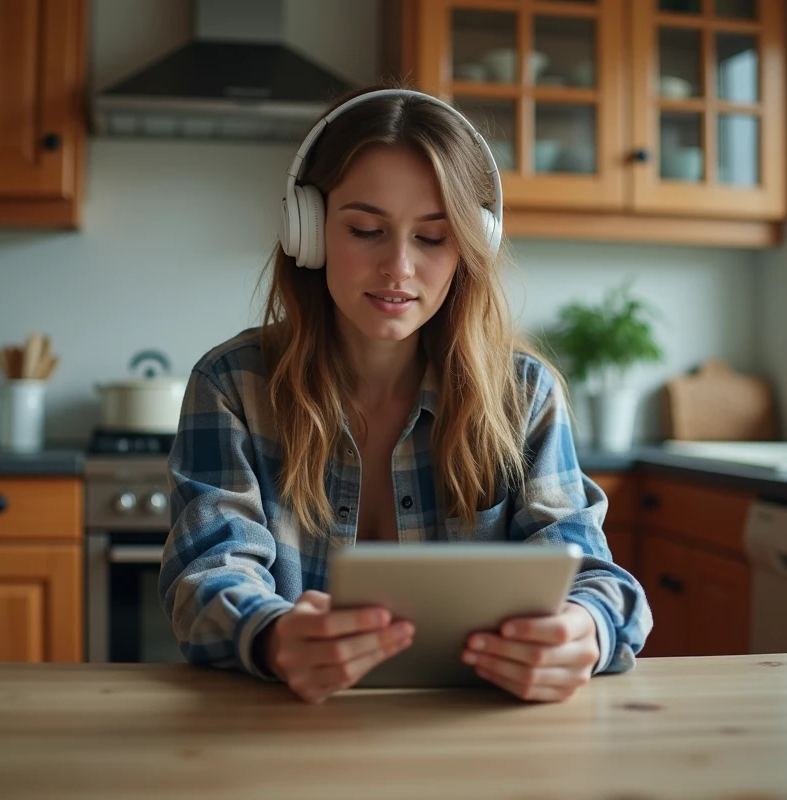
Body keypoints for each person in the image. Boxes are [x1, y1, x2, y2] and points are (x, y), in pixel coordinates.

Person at [160, 83, 652, 705]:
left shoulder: (524, 395)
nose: (398, 267)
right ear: (306, 231)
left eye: (432, 237)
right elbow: (206, 570)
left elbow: (594, 578)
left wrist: (585, 631)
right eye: (366, 229)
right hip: (286, 733)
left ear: (472, 246)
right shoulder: (232, 384)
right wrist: (273, 636)